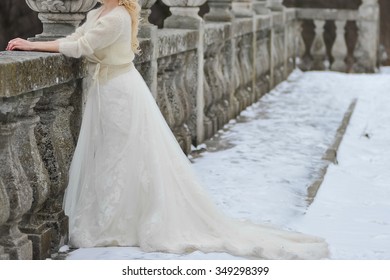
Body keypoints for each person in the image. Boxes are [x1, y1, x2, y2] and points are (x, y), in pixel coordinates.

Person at [6, 0, 329, 259]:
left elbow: (81, 47)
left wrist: (33, 46)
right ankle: (110, 217)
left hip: (119, 92)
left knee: (121, 157)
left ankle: (121, 221)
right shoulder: (97, 11)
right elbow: (77, 38)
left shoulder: (118, 16)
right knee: (107, 156)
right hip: (104, 91)